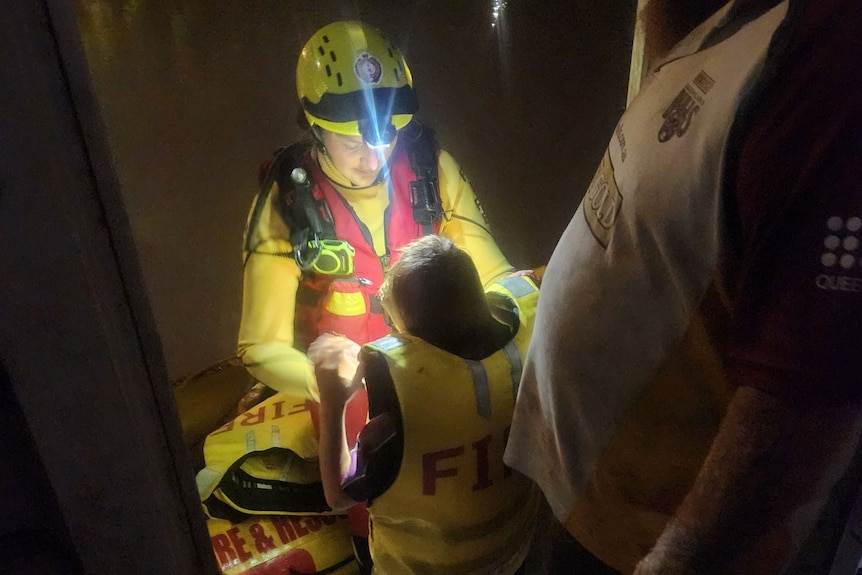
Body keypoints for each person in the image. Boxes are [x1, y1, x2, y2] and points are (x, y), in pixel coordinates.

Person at [504, 0, 862, 574]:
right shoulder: (727, 25)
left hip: (643, 543)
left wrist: (677, 560)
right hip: (586, 496)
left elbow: (803, 407)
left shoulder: (832, 54)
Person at [236, 19, 514, 571]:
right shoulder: (289, 204)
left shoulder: (431, 169)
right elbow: (257, 345)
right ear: (316, 126)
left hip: (446, 392)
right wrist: (329, 385)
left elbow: (498, 277)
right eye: (351, 138)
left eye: (387, 132)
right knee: (372, 520)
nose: (374, 152)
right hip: (356, 408)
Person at [308, 235, 541, 574]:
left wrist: (333, 400)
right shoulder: (530, 325)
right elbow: (522, 283)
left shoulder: (398, 411)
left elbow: (340, 495)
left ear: (412, 341)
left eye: (396, 326)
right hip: (514, 552)